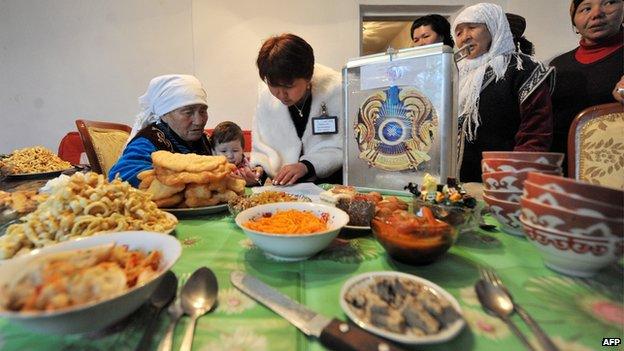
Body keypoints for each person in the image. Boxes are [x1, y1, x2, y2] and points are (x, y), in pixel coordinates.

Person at [453, 3, 555, 182]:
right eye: (459, 32)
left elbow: (535, 131)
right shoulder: (454, 74)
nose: (464, 37)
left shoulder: (522, 68)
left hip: (501, 182)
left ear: (493, 27)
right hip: (452, 185)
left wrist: (513, 178)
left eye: (472, 27)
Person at [251, 33, 343, 185]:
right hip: (286, 190)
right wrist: (258, 172)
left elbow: (342, 147)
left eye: (288, 86)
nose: (281, 95)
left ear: (308, 76)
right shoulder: (266, 98)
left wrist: (306, 166)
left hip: (330, 187)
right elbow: (262, 146)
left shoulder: (335, 91)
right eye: (273, 86)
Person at [550, 0, 624, 174]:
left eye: (609, 3)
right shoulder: (557, 66)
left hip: (613, 174)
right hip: (562, 174)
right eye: (586, 8)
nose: (596, 13)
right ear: (574, 20)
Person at [109, 74, 212, 187]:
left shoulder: (204, 139)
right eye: (188, 112)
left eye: (202, 111)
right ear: (164, 115)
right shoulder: (149, 140)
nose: (198, 121)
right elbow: (121, 174)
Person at [210, 121, 262, 186]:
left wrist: (256, 179)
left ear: (242, 150)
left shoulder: (246, 167)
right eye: (223, 151)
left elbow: (257, 181)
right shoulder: (214, 169)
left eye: (235, 151)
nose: (230, 156)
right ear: (213, 152)